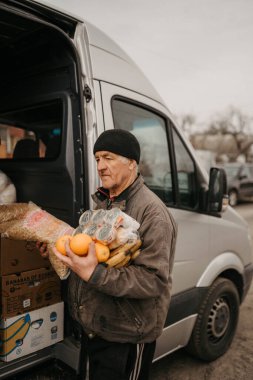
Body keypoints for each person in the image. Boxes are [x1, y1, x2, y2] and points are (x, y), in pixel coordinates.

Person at [38, 129, 177, 380]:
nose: (100, 166)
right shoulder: (105, 203)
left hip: (126, 335)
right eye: (97, 158)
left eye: (108, 157)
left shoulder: (153, 214)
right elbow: (93, 252)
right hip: (97, 328)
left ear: (132, 163)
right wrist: (58, 249)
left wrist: (94, 273)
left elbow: (154, 280)